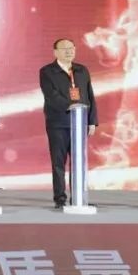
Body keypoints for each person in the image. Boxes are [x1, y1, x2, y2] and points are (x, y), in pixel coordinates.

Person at [39, 38, 97, 209]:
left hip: (80, 123)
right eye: (64, 48)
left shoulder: (82, 70)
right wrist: (70, 105)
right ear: (55, 52)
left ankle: (79, 197)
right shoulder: (47, 71)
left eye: (71, 48)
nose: (69, 51)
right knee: (59, 162)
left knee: (79, 162)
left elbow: (89, 96)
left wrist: (92, 121)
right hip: (58, 123)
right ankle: (60, 198)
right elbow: (51, 95)